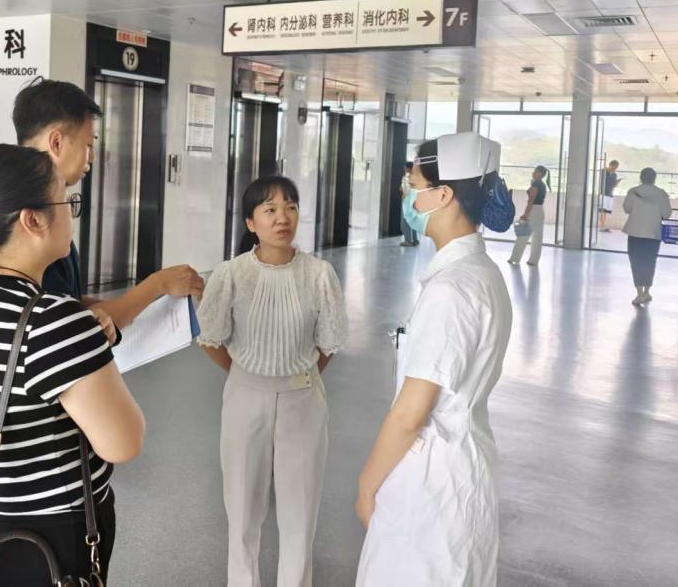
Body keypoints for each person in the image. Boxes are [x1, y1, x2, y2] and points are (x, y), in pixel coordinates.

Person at [0, 144, 146, 585]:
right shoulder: (53, 321)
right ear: (33, 220)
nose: (73, 212)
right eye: (67, 200)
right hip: (43, 549)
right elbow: (124, 443)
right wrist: (89, 345)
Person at [356, 132, 513, 587]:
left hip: (432, 481)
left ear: (443, 196)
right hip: (461, 470)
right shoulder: (481, 273)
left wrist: (367, 484)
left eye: (415, 186)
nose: (409, 197)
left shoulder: (452, 290)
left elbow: (411, 412)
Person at [197, 175, 348, 587]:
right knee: (242, 512)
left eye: (290, 207)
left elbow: (328, 343)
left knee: (300, 513)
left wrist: (297, 378)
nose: (283, 217)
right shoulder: (231, 274)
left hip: (304, 400)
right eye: (270, 209)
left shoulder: (319, 274)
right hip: (244, 398)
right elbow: (211, 338)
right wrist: (247, 375)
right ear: (251, 222)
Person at [12, 78, 204, 331]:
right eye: (88, 145)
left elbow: (66, 301)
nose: (92, 156)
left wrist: (130, 305)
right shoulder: (30, 218)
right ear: (56, 142)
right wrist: (157, 284)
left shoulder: (42, 204)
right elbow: (64, 324)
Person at [622, 167, 672, 306]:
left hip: (635, 233)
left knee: (636, 262)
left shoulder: (633, 191)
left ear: (641, 177)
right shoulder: (661, 193)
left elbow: (627, 209)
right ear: (654, 178)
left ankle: (639, 293)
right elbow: (667, 213)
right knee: (650, 261)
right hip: (653, 233)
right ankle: (647, 292)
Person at [508, 165, 550, 266]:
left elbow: (531, 200)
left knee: (523, 235)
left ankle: (515, 258)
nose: (533, 173)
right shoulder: (542, 184)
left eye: (535, 171)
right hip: (540, 211)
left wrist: (525, 214)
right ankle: (533, 260)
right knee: (537, 237)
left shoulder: (536, 184)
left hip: (533, 211)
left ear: (540, 173)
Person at [399, 161, 419, 246]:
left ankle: (408, 241)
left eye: (405, 167)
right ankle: (415, 240)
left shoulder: (406, 177)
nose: (404, 169)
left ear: (407, 168)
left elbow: (404, 190)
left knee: (405, 221)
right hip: (415, 200)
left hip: (407, 200)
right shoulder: (417, 177)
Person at [600, 160, 621, 232]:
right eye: (615, 167)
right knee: (602, 210)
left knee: (605, 211)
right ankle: (602, 226)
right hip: (602, 193)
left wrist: (617, 182)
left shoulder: (614, 175)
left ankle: (603, 226)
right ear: (611, 165)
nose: (615, 169)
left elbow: (614, 186)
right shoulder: (603, 172)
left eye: (616, 167)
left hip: (609, 194)